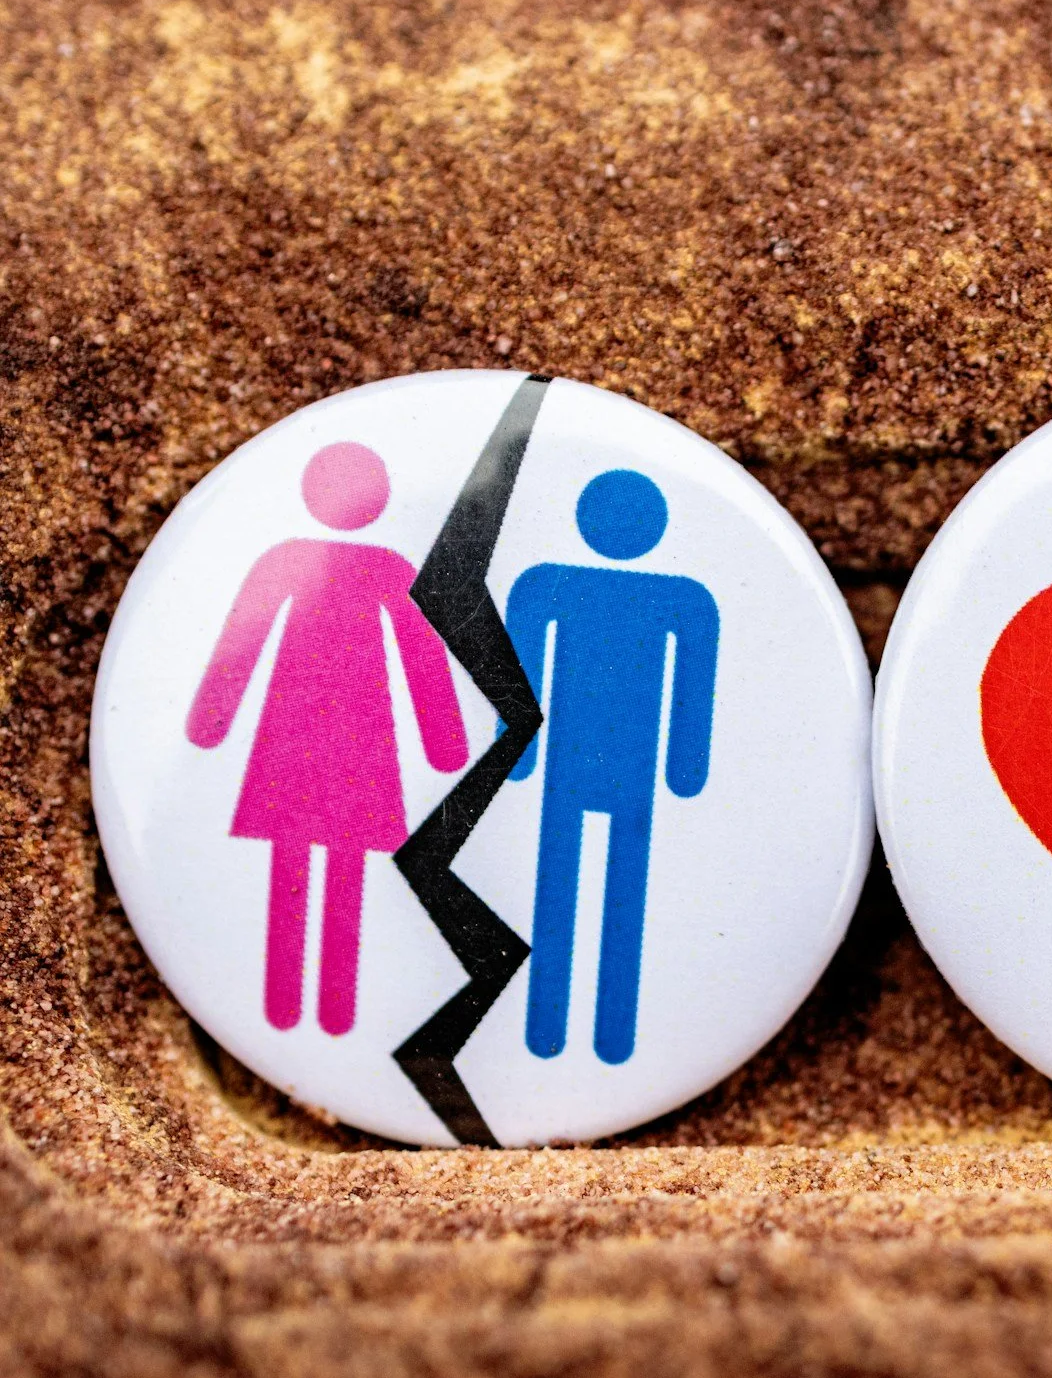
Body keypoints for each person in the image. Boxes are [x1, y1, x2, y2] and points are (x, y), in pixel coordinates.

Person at [187, 441, 470, 1035]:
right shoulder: (378, 568)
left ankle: (306, 1008)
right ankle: (310, 1010)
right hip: (341, 732)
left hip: (313, 729)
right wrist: (444, 742)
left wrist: (212, 720)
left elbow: (245, 644)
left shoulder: (306, 561)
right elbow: (423, 662)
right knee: (336, 863)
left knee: (312, 857)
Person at [507, 468, 719, 1065]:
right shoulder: (670, 597)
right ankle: (574, 1034)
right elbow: (521, 668)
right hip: (596, 765)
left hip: (598, 766)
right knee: (580, 884)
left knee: (590, 884)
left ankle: (591, 1035)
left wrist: (686, 769)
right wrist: (685, 768)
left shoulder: (675, 599)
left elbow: (694, 687)